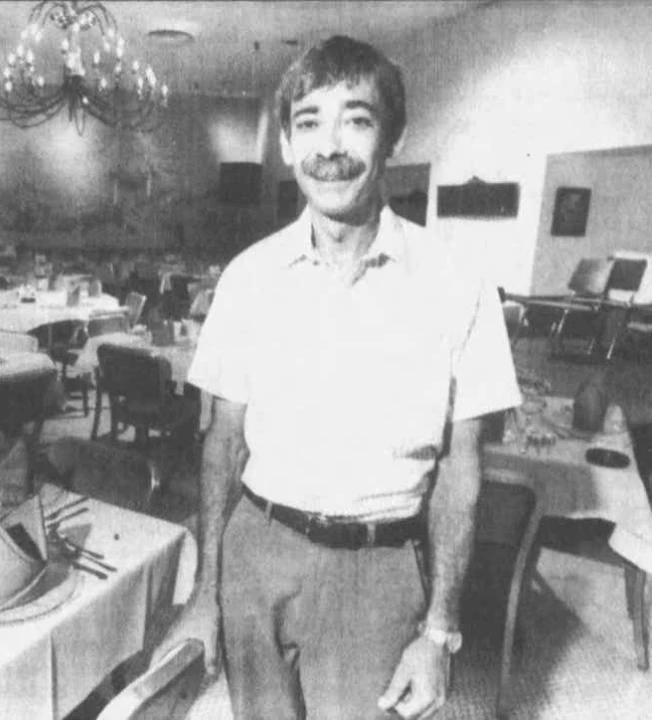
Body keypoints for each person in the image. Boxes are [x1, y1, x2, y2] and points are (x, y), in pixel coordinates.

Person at [154, 35, 521, 719]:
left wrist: (439, 631)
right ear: (287, 144)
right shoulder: (247, 278)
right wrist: (205, 595)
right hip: (256, 552)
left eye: (356, 119)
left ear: (392, 138)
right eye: (308, 123)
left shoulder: (458, 284)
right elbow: (222, 444)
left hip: (377, 570)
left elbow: (461, 470)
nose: (329, 147)